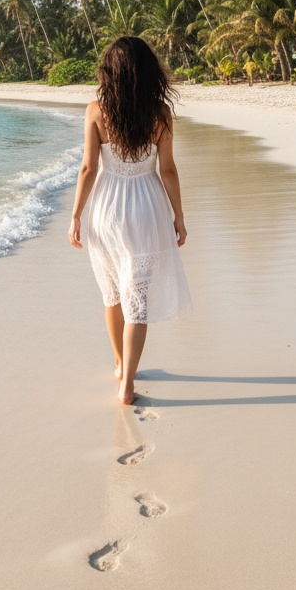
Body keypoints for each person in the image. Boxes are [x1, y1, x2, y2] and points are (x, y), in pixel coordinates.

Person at [68, 36, 192, 404]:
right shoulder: (160, 114)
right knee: (137, 296)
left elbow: (89, 168)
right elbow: (167, 169)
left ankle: (121, 364)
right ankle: (128, 384)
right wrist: (179, 215)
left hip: (106, 207)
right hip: (146, 206)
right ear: (148, 71)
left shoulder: (96, 111)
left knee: (113, 295)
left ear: (110, 72)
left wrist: (75, 215)